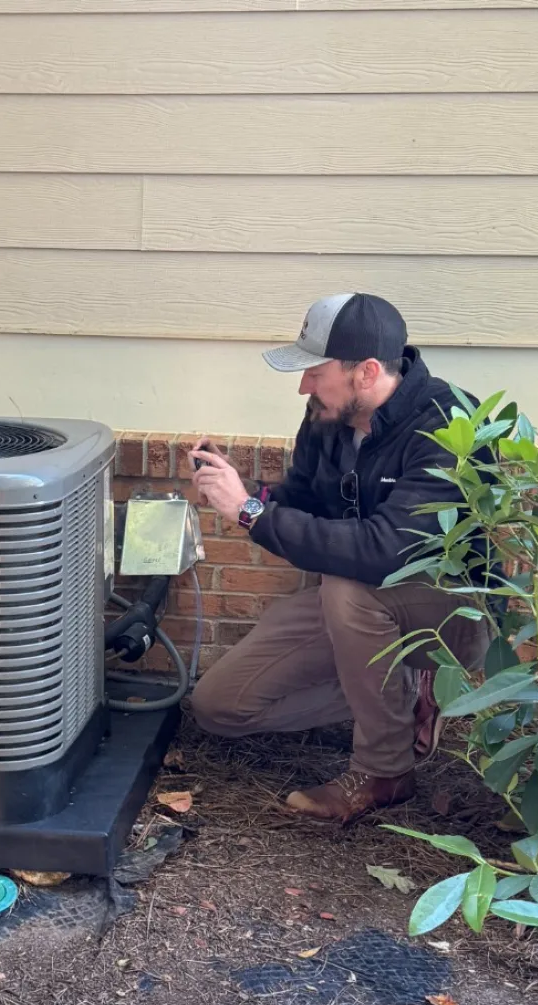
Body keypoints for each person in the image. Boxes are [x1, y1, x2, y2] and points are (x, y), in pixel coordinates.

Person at [185, 292, 488, 822]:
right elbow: (303, 500)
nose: (303, 385)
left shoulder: (450, 426)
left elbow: (385, 550)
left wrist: (251, 513)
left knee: (348, 585)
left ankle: (384, 770)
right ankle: (402, 699)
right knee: (218, 706)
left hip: (447, 616)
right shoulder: (326, 418)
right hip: (358, 606)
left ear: (366, 372)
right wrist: (239, 492)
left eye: (314, 372)